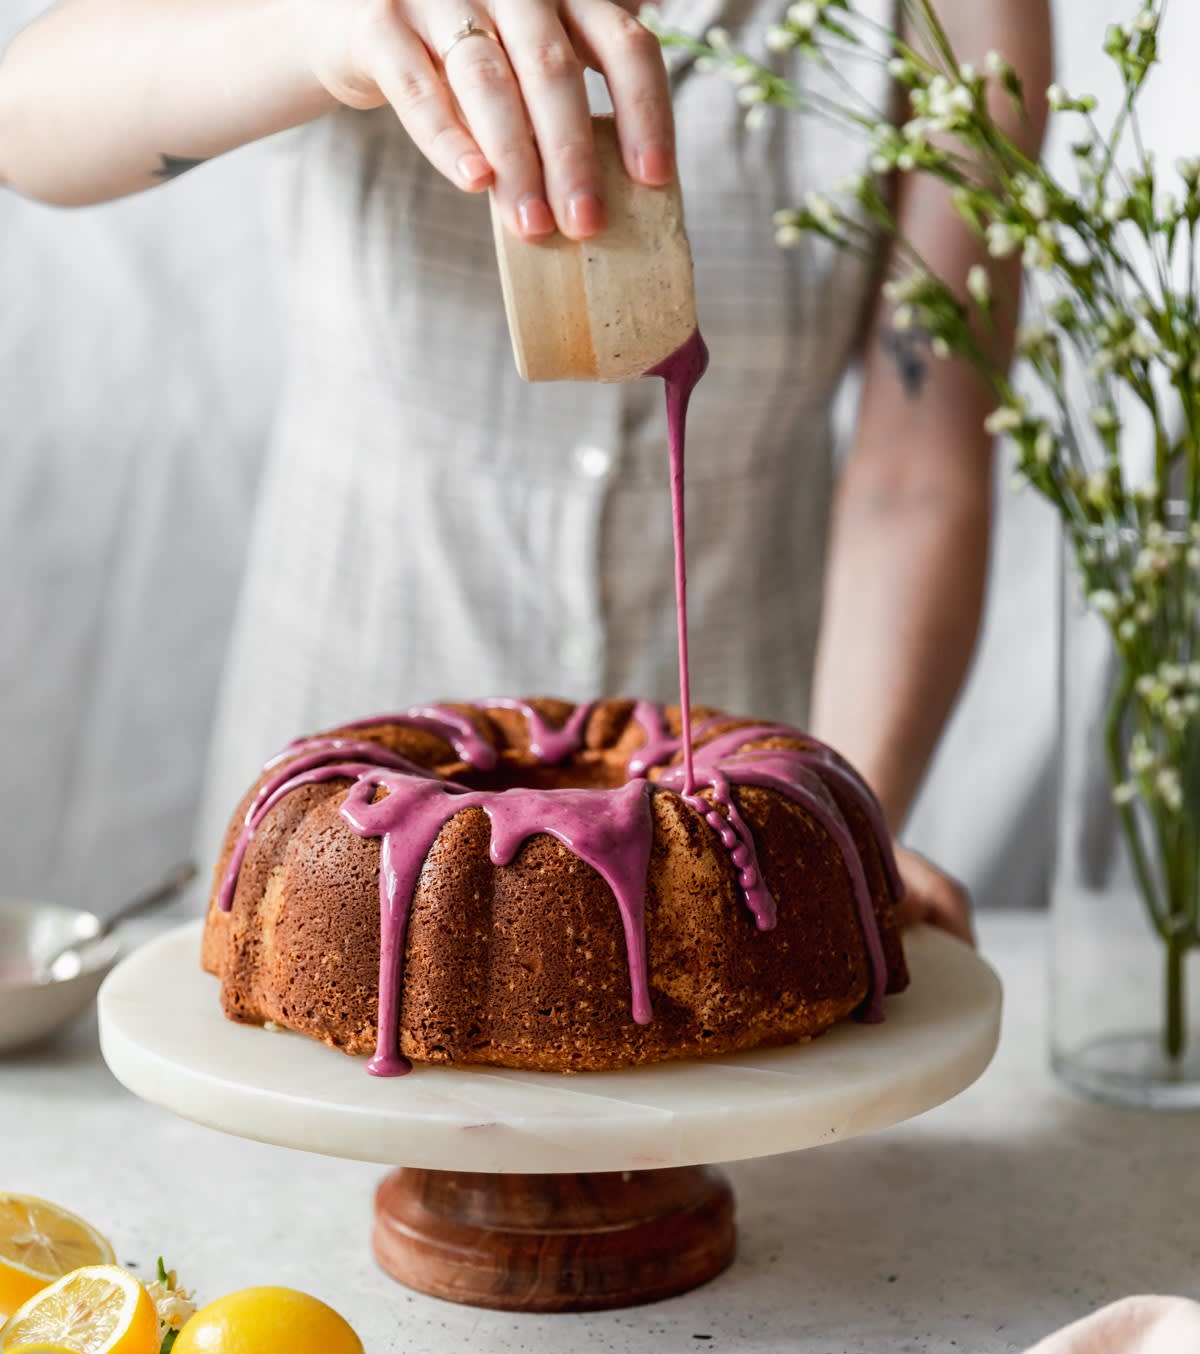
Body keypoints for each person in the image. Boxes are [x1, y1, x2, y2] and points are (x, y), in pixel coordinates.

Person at [0, 0, 1051, 940]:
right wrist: (318, 33)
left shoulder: (952, 18)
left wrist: (842, 821)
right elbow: (28, 115)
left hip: (729, 857)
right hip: (334, 838)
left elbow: (916, 470)